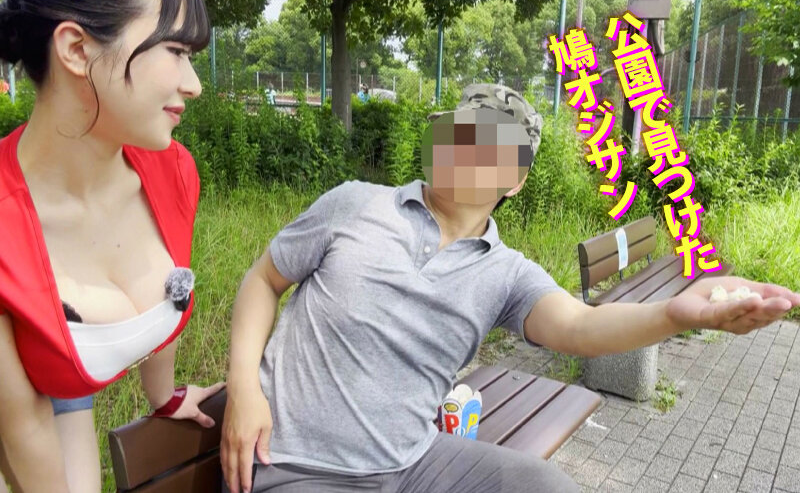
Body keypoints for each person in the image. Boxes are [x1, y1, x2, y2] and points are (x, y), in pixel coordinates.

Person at [220, 84, 800, 493]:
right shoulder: (355, 204)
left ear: (516, 180)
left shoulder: (505, 272)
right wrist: (243, 388)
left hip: (412, 464)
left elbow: (579, 326)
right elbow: (263, 280)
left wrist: (675, 313)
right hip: (293, 466)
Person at [0, 0, 224, 491]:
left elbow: (172, 289)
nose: (195, 84)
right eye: (175, 51)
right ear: (77, 50)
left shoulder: (174, 171)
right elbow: (23, 429)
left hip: (54, 371)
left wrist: (164, 397)